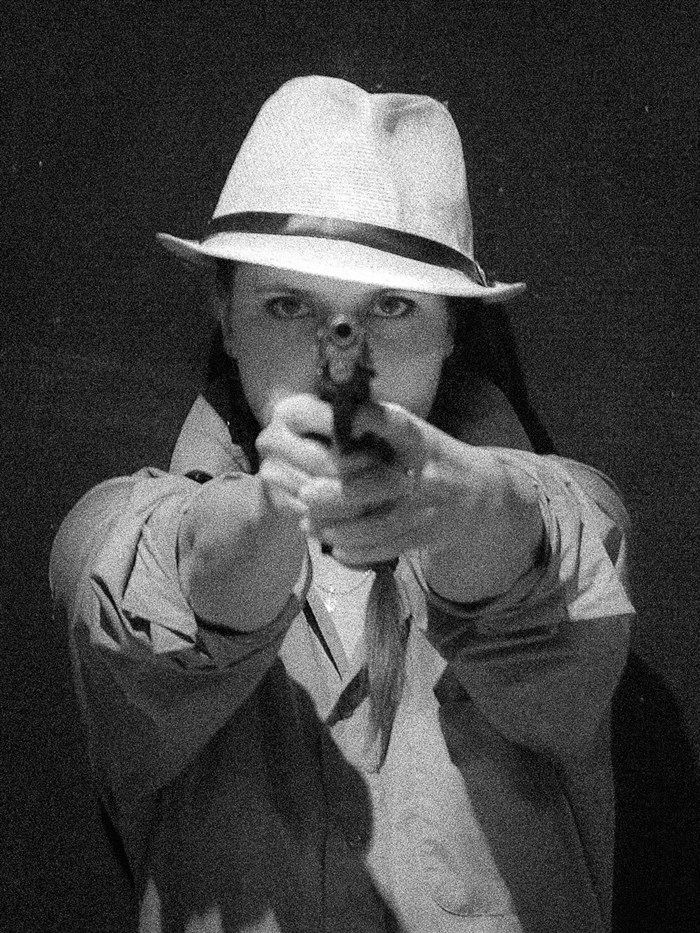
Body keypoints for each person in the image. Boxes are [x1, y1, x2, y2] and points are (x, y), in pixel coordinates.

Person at [49, 76, 634, 933]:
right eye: (289, 303)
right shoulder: (114, 533)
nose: (340, 357)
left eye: (390, 306)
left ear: (451, 327)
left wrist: (460, 502)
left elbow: (546, 554)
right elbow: (166, 589)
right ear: (226, 315)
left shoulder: (573, 517)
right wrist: (275, 505)